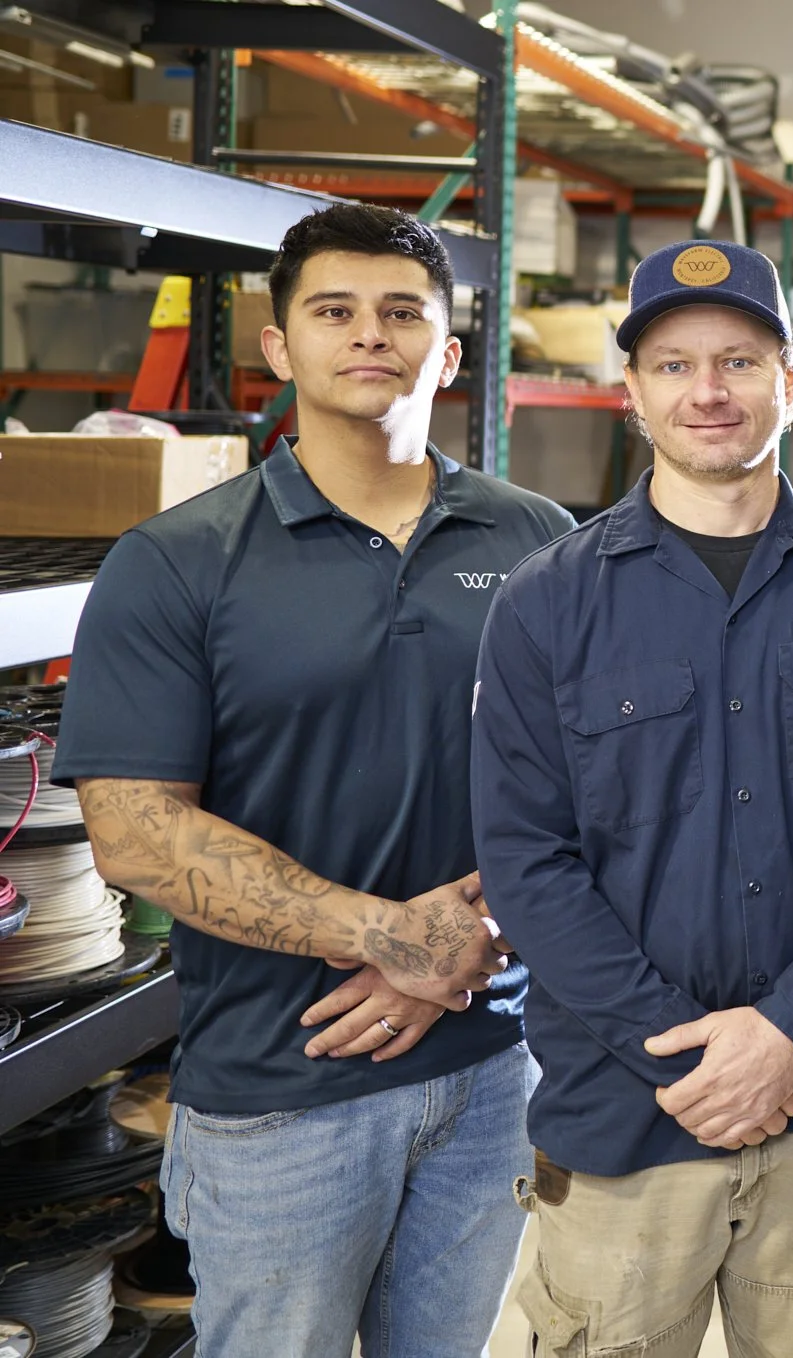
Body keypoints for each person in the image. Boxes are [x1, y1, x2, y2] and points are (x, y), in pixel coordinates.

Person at [57, 203, 573, 1356]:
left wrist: (471, 938)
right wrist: (390, 937)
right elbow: (135, 831)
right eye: (333, 311)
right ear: (278, 347)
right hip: (279, 1090)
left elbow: (598, 782)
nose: (369, 333)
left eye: (402, 312)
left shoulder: (539, 540)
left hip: (492, 1066)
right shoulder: (175, 561)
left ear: (449, 352)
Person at [469, 239, 793, 1355]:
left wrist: (789, 1031)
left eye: (739, 361)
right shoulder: (545, 603)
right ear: (629, 390)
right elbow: (526, 860)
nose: (707, 391)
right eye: (673, 365)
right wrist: (682, 1053)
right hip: (626, 1113)